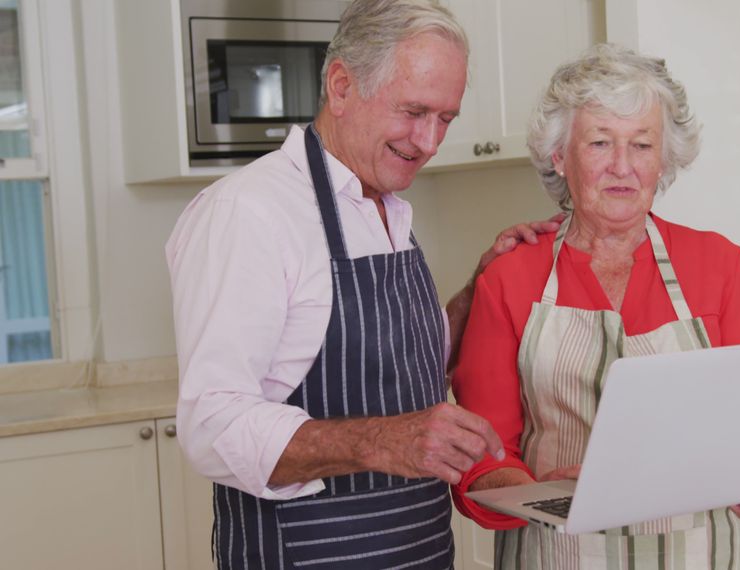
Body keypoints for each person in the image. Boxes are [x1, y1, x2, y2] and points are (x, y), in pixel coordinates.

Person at [166, 1, 559, 568]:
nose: (428, 140)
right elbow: (211, 426)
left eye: (445, 118)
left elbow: (396, 371)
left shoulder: (387, 208)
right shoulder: (248, 213)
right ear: (342, 86)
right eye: (414, 111)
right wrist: (380, 441)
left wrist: (476, 290)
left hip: (419, 551)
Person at [450, 43, 740, 569]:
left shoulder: (720, 265)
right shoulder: (510, 278)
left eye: (641, 145)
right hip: (561, 554)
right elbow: (481, 458)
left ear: (665, 157)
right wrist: (547, 493)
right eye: (599, 142)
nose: (623, 167)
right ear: (559, 157)